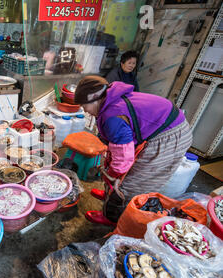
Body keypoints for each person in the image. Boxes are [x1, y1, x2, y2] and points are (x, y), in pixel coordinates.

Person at [74, 76, 192, 226]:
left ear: (95, 99)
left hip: (170, 136)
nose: (85, 110)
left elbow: (123, 159)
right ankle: (111, 195)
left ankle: (113, 217)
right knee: (113, 169)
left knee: (133, 182)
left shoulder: (113, 116)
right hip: (163, 127)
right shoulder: (110, 98)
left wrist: (113, 175)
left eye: (84, 106)